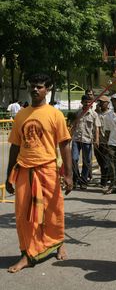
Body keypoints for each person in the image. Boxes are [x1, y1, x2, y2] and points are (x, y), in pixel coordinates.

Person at [5, 73, 73, 273]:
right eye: (32, 86)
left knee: (53, 210)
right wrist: (8, 174)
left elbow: (65, 144)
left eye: (40, 86)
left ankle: (58, 242)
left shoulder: (55, 114)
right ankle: (27, 253)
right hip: (25, 169)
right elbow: (15, 147)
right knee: (22, 214)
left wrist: (68, 174)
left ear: (47, 89)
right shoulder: (21, 115)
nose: (35, 89)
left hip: (48, 169)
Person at [72, 94, 100, 189]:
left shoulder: (94, 114)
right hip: (76, 139)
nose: (87, 103)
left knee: (87, 161)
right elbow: (74, 126)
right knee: (74, 159)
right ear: (82, 102)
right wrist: (69, 137)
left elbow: (96, 128)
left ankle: (83, 181)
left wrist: (97, 140)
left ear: (91, 103)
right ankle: (75, 179)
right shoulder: (77, 113)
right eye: (85, 102)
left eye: (89, 102)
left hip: (87, 140)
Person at [94, 95, 111, 188]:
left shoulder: (110, 114)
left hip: (107, 141)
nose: (100, 104)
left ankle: (103, 182)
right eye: (99, 102)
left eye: (102, 102)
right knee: (100, 160)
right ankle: (107, 176)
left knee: (105, 162)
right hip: (98, 141)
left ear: (107, 103)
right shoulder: (97, 114)